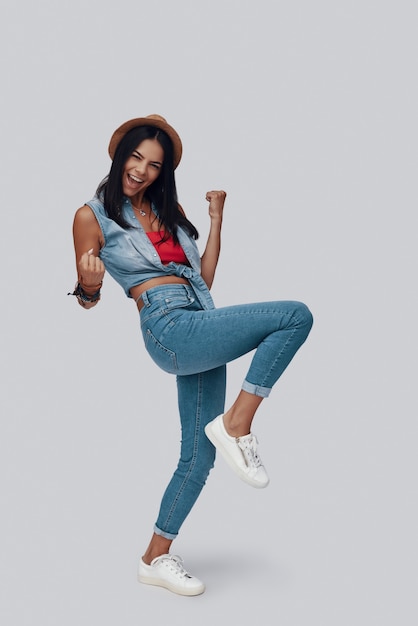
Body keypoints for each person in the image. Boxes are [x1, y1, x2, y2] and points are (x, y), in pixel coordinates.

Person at [70, 114, 313, 596]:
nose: (142, 170)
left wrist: (217, 221)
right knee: (294, 315)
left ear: (164, 172)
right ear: (120, 157)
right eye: (136, 158)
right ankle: (237, 424)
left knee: (197, 458)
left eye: (154, 164)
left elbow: (204, 280)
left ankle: (154, 557)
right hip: (167, 325)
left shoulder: (168, 212)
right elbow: (87, 295)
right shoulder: (90, 215)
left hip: (199, 318)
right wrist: (89, 283)